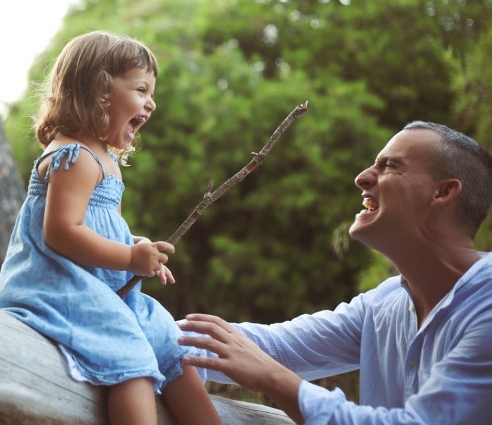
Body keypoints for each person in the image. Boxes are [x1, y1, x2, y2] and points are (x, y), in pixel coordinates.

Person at [179, 121, 492, 424]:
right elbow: (274, 348)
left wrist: (274, 380)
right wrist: (145, 325)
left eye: (390, 166)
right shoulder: (384, 303)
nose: (362, 178)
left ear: (442, 192)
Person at [0, 31, 221, 425]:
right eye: (141, 89)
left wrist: (134, 245)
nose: (151, 103)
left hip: (103, 288)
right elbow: (62, 232)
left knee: (171, 342)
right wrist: (129, 257)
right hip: (59, 286)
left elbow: (99, 226)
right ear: (100, 90)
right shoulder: (75, 156)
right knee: (129, 352)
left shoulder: (106, 161)